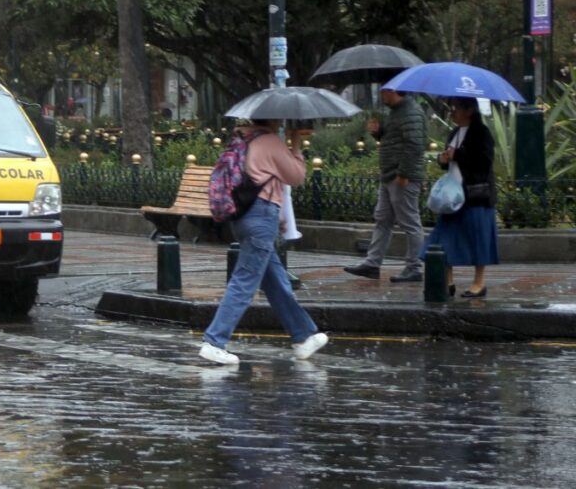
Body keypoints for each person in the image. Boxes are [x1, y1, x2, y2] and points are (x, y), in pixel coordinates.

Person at [199, 120, 328, 366]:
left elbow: (261, 180)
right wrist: (297, 145)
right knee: (244, 281)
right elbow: (297, 176)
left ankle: (303, 337)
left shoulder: (242, 140)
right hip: (260, 218)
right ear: (272, 119)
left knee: (275, 280)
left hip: (243, 217)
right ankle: (214, 341)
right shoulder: (270, 142)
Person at [344, 89, 427, 282]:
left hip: (401, 177)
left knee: (409, 221)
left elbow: (414, 144)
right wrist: (379, 133)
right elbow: (395, 141)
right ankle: (372, 264)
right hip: (390, 175)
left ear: (393, 91)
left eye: (384, 92)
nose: (382, 95)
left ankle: (414, 267)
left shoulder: (411, 112)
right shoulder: (397, 112)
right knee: (382, 219)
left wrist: (404, 173)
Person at [421, 97, 498, 298]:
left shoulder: (481, 133)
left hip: (475, 195)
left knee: (477, 239)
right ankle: (448, 281)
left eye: (456, 108)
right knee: (443, 239)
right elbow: (448, 161)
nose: (452, 112)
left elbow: (484, 162)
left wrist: (459, 155)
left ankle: (479, 283)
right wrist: (443, 159)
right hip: (452, 195)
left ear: (470, 110)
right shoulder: (454, 133)